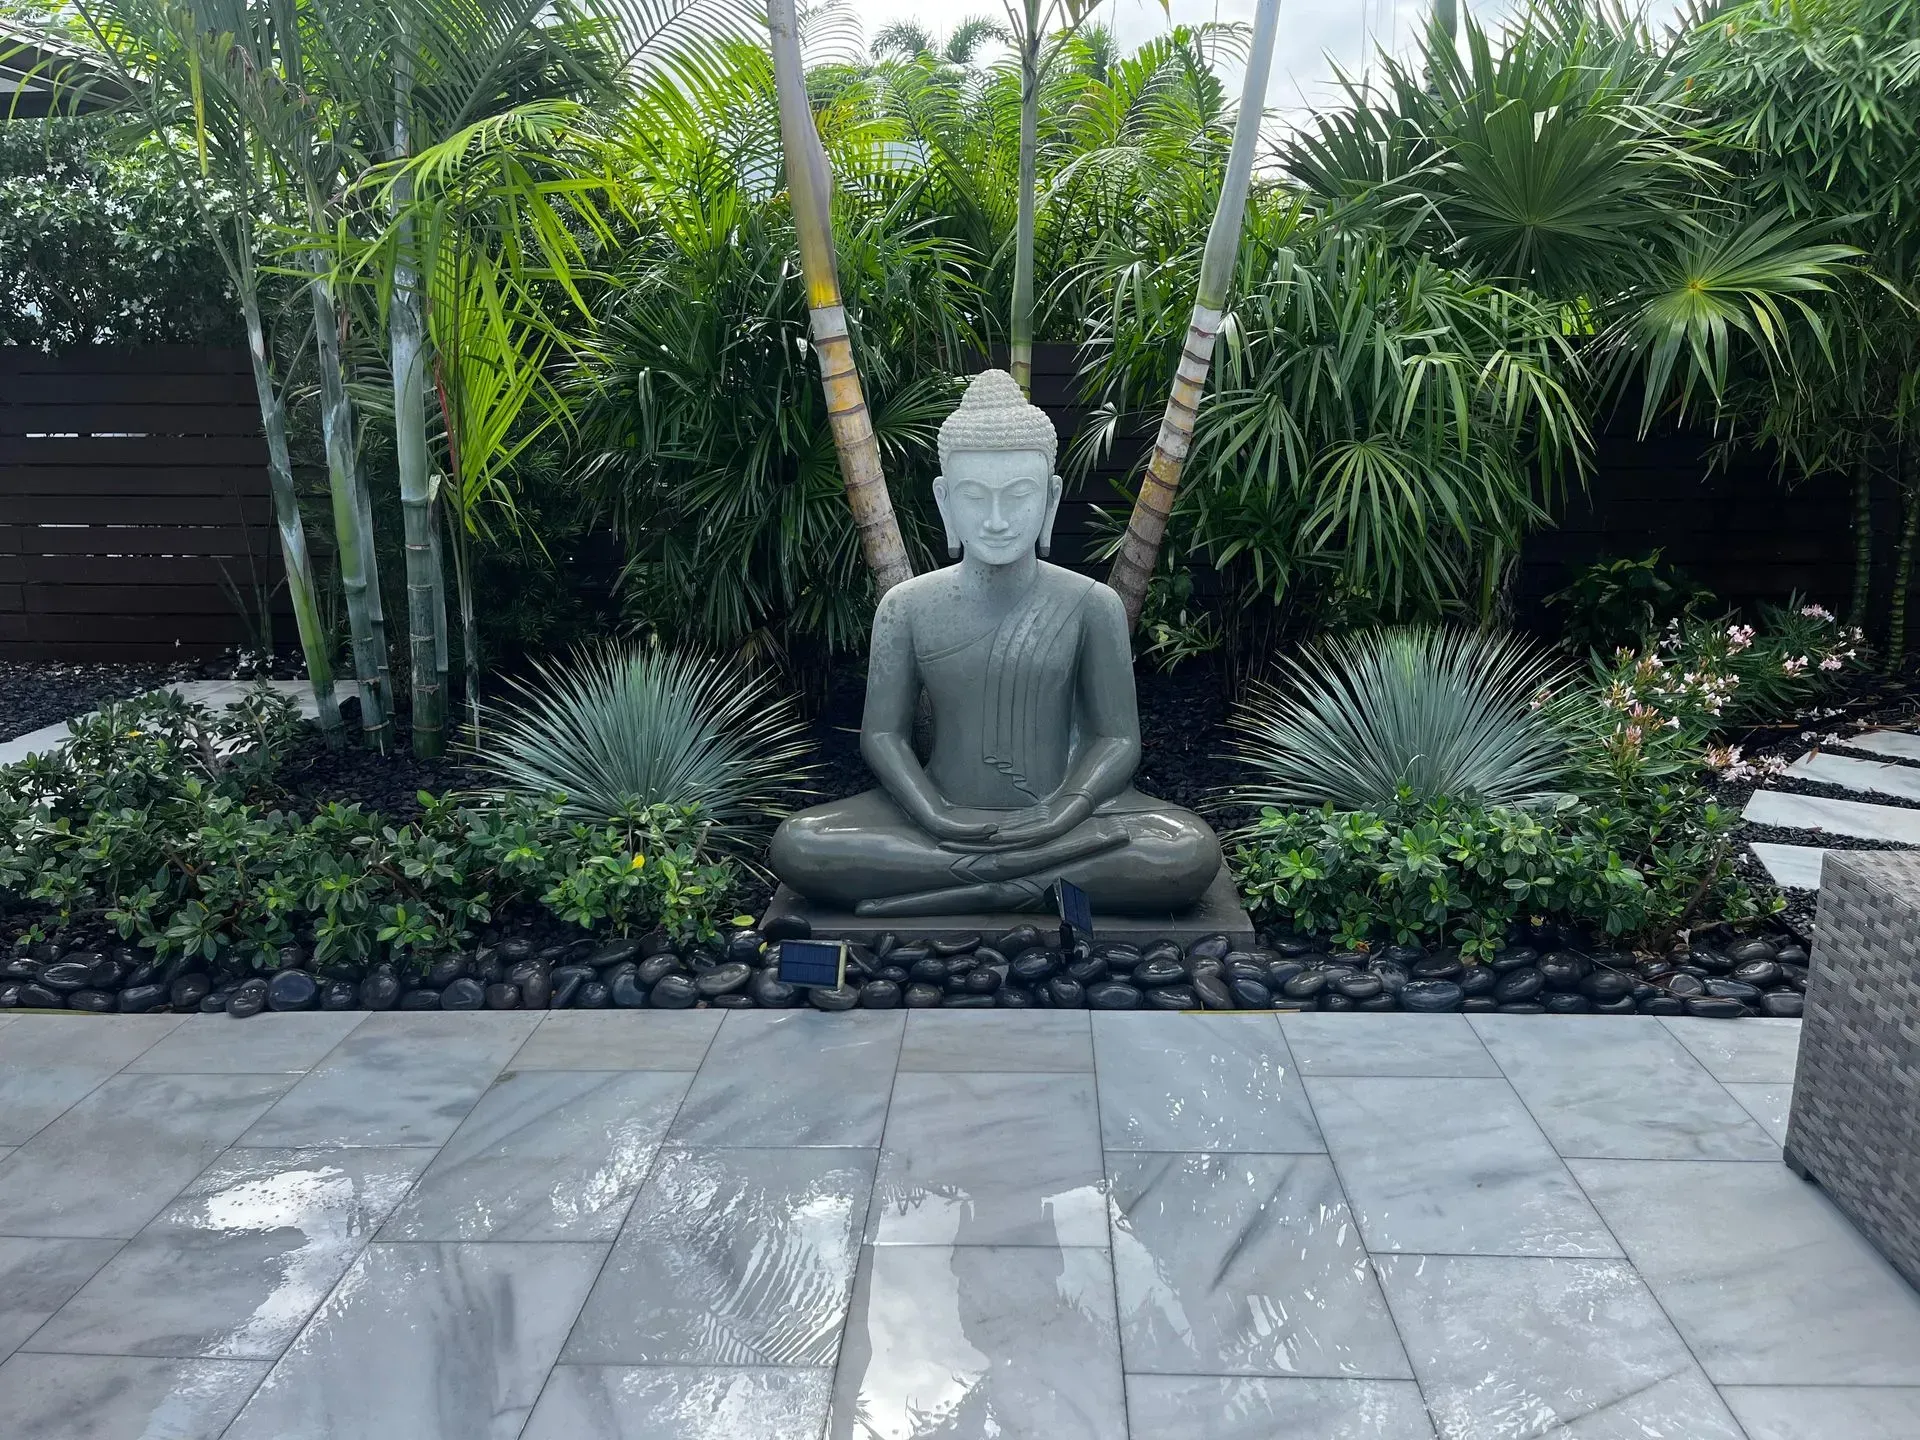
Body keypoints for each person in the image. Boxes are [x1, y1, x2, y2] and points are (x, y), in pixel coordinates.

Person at [768, 369, 1222, 917]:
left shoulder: (1090, 605)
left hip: (1067, 820)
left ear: (1051, 498)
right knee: (801, 842)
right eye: (976, 497)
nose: (999, 520)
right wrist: (935, 814)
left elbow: (1118, 740)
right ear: (945, 501)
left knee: (1187, 850)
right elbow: (883, 735)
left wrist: (1066, 811)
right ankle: (1030, 884)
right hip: (945, 818)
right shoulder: (907, 607)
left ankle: (975, 884)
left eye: (1020, 495)